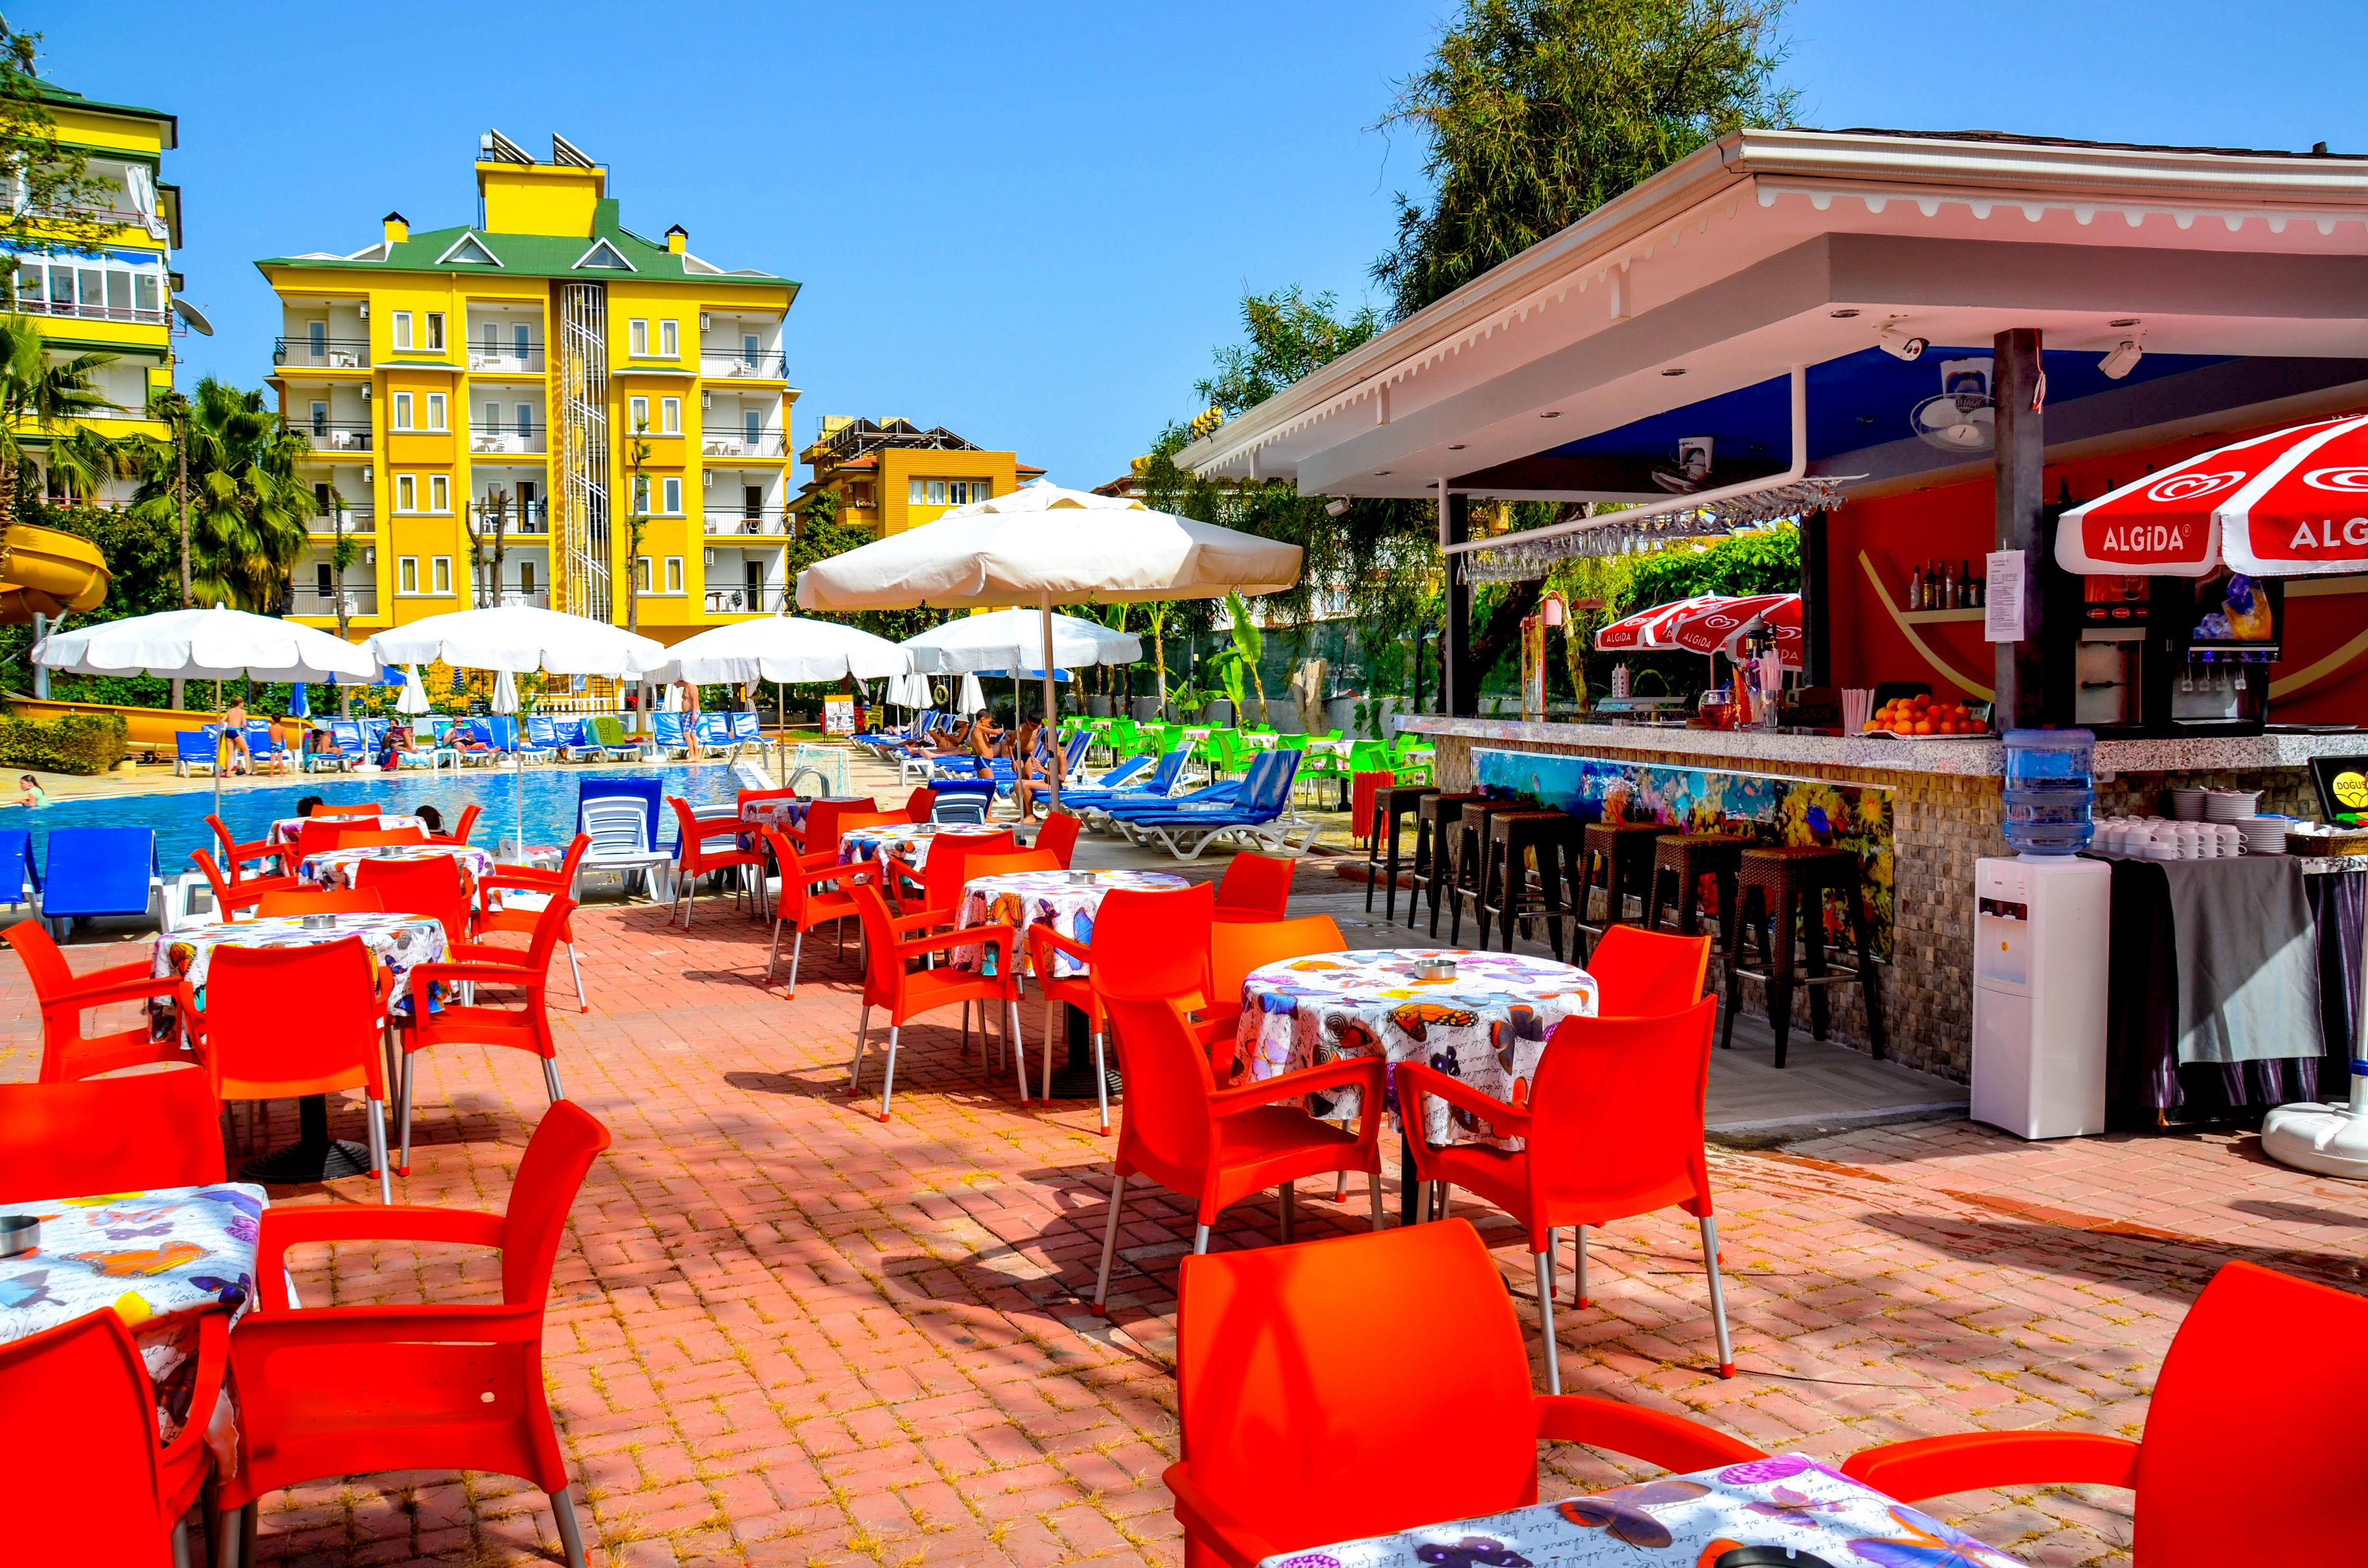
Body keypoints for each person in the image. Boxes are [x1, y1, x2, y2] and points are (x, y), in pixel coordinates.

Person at [221, 694, 250, 776]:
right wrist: (242, 729)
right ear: (240, 703)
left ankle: (229, 773)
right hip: (236, 731)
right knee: (246, 750)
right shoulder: (242, 712)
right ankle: (247, 769)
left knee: (230, 753)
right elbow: (244, 724)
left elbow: (222, 721)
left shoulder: (230, 711)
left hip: (228, 731)